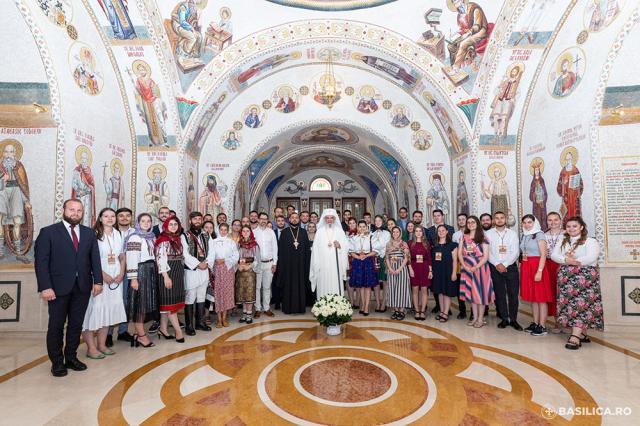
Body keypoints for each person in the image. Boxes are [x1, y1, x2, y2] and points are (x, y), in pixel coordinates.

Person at [35, 199, 103, 377]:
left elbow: (95, 259)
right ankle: (57, 362)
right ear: (63, 210)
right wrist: (45, 287)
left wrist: (98, 281)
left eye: (79, 210)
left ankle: (71, 357)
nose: (75, 213)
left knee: (76, 325)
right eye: (72, 209)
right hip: (57, 289)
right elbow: (41, 263)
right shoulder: (48, 232)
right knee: (56, 326)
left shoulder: (89, 233)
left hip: (82, 287)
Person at [550, 216, 603, 350]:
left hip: (584, 279)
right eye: (568, 226)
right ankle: (582, 333)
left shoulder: (590, 241)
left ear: (581, 227)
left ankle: (575, 337)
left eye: (574, 226)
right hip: (567, 278)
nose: (571, 229)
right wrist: (565, 260)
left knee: (581, 305)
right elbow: (554, 255)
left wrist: (574, 261)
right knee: (570, 306)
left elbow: (592, 257)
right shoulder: (562, 240)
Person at [82, 207, 127, 359]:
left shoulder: (118, 233)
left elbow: (121, 255)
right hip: (98, 278)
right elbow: (88, 258)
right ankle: (91, 347)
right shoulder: (92, 234)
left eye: (112, 216)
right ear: (100, 218)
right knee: (92, 311)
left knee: (108, 311)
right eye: (106, 216)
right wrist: (102, 276)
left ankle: (102, 344)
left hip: (116, 278)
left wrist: (121, 273)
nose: (109, 218)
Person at [124, 213, 158, 348]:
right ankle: (141, 336)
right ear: (138, 223)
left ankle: (139, 334)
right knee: (140, 305)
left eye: (149, 221)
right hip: (140, 272)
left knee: (147, 304)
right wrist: (133, 279)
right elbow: (131, 258)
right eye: (143, 221)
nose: (146, 223)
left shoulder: (151, 237)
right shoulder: (134, 238)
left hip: (150, 271)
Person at [486, 211, 521, 330]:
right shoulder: (488, 234)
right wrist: (497, 264)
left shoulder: (512, 233)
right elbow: (488, 252)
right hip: (495, 267)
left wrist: (504, 264)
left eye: (502, 218)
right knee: (500, 294)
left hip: (510, 267)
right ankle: (505, 318)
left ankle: (514, 319)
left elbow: (515, 252)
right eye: (497, 218)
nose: (499, 220)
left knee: (513, 294)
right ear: (493, 221)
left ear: (505, 220)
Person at [520, 215, 553, 336]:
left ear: (535, 222)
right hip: (526, 266)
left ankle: (542, 325)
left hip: (537, 266)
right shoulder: (525, 235)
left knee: (541, 297)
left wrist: (539, 271)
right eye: (524, 222)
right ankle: (535, 322)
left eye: (529, 222)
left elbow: (543, 254)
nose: (527, 225)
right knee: (533, 298)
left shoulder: (539, 234)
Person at [155, 216, 186, 343]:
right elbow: (160, 259)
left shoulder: (177, 239)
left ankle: (163, 328)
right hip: (167, 272)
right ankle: (178, 331)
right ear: (166, 226)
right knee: (170, 304)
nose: (173, 226)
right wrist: (166, 276)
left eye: (175, 224)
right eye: (171, 224)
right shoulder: (163, 240)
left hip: (178, 271)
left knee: (168, 304)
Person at [458, 216, 493, 328]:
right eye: (468, 222)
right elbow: (460, 254)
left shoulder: (483, 238)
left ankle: (480, 319)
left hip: (481, 269)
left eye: (473, 222)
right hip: (467, 268)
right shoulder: (463, 238)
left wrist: (475, 267)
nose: (470, 224)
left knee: (480, 294)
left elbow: (486, 256)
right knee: (471, 294)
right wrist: (465, 266)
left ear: (477, 224)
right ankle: (475, 317)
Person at [106, 207, 135, 345]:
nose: (124, 218)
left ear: (131, 218)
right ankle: (108, 333)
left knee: (126, 302)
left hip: (131, 272)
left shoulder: (135, 233)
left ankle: (123, 331)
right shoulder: (111, 232)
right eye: (121, 216)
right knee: (113, 301)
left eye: (127, 216)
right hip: (113, 273)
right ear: (117, 218)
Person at [183, 212, 212, 336]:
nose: (197, 221)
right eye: (195, 219)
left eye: (199, 219)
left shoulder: (206, 235)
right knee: (190, 296)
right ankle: (189, 325)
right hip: (191, 271)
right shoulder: (184, 236)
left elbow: (212, 251)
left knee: (201, 296)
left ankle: (200, 323)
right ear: (190, 221)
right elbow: (185, 253)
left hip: (204, 270)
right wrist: (197, 264)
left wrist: (207, 262)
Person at [275, 212, 310, 314]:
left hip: (301, 265)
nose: (294, 219)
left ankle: (300, 308)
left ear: (299, 219)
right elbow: (280, 251)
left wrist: (306, 265)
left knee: (300, 285)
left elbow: (307, 250)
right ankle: (287, 308)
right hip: (288, 265)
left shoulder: (303, 232)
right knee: (288, 285)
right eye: (292, 218)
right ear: (289, 220)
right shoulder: (285, 232)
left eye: (296, 218)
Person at [310, 209, 348, 298]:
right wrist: (317, 263)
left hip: (336, 264)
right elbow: (315, 248)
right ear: (324, 219)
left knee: (335, 281)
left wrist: (340, 245)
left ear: (335, 219)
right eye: (327, 218)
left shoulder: (340, 231)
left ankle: (337, 304)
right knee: (323, 281)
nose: (329, 219)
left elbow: (346, 246)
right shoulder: (319, 231)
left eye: (331, 218)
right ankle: (322, 304)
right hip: (322, 264)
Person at [207, 223, 239, 327]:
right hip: (217, 269)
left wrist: (225, 260)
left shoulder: (231, 242)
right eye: (221, 229)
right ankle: (218, 318)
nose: (223, 231)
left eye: (225, 230)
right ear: (218, 230)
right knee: (218, 293)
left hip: (228, 269)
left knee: (226, 293)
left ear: (228, 231)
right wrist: (214, 263)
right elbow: (210, 255)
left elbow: (236, 256)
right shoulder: (213, 242)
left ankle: (225, 318)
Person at [426, 209, 455, 314]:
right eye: (435, 216)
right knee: (436, 284)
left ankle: (447, 309)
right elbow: (429, 245)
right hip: (435, 259)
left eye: (438, 215)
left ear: (442, 216)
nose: (437, 217)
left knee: (446, 285)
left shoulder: (450, 228)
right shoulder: (429, 230)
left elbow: (452, 243)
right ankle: (438, 305)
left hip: (447, 259)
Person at [348, 220, 378, 315]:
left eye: (363, 226)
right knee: (361, 286)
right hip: (357, 261)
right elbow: (351, 251)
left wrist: (366, 255)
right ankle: (362, 305)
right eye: (360, 226)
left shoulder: (371, 237)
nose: (361, 228)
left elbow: (375, 251)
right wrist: (358, 257)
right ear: (357, 227)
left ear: (366, 227)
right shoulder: (354, 238)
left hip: (367, 261)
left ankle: (366, 307)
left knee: (368, 286)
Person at [432, 225, 459, 323]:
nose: (441, 232)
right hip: (437, 272)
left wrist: (454, 273)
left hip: (448, 272)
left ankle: (446, 313)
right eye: (439, 230)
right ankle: (442, 311)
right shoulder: (435, 246)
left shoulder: (453, 245)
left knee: (446, 293)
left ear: (447, 231)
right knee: (439, 292)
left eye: (443, 230)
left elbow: (455, 261)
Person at [253, 212, 278, 318]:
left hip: (269, 263)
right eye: (261, 219)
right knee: (257, 287)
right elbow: (251, 249)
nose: (263, 221)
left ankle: (266, 308)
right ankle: (258, 308)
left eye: (265, 219)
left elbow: (275, 248)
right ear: (258, 220)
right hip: (257, 264)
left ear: (267, 220)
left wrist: (275, 263)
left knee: (267, 287)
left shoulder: (271, 232)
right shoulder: (253, 232)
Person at [385, 226, 412, 320]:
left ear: (400, 233)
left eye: (397, 232)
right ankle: (396, 310)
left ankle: (401, 310)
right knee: (393, 289)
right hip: (391, 268)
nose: (395, 234)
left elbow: (406, 257)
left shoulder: (403, 243)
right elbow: (387, 258)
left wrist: (400, 269)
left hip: (401, 268)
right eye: (393, 232)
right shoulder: (388, 244)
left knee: (402, 289)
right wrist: (390, 268)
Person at [545, 212, 564, 333]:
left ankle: (566, 322)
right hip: (548, 266)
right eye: (550, 220)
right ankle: (557, 323)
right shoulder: (543, 235)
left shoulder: (566, 233)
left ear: (560, 220)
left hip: (563, 264)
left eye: (555, 220)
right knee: (552, 293)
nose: (553, 222)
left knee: (562, 292)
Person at [408, 225, 432, 320]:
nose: (418, 233)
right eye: (416, 231)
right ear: (414, 232)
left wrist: (430, 270)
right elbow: (408, 257)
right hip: (414, 267)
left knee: (424, 290)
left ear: (423, 233)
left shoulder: (426, 243)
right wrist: (410, 268)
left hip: (424, 267)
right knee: (415, 290)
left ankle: (422, 311)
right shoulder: (410, 243)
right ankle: (417, 310)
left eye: (420, 231)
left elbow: (429, 257)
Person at [236, 226, 259, 323]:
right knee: (242, 292)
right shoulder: (238, 244)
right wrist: (238, 265)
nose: (245, 233)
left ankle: (249, 314)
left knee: (249, 292)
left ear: (250, 232)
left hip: (250, 272)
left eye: (247, 231)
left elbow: (258, 259)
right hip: (241, 271)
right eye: (243, 231)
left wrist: (249, 266)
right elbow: (235, 256)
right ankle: (244, 313)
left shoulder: (255, 245)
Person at [372, 215, 391, 313]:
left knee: (385, 281)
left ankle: (384, 302)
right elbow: (372, 246)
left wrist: (377, 246)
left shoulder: (387, 233)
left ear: (382, 222)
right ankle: (378, 302)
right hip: (375, 259)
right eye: (376, 221)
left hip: (384, 258)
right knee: (376, 282)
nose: (378, 222)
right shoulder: (373, 233)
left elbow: (385, 245)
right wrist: (377, 246)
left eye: (379, 220)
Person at [452, 213, 468, 319]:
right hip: (458, 264)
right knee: (460, 288)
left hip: (470, 263)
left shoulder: (472, 233)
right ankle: (462, 310)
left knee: (471, 287)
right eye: (459, 219)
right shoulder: (455, 235)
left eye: (463, 219)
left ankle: (475, 312)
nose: (461, 221)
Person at [345, 217, 359, 308]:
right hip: (348, 259)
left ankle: (357, 301)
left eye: (354, 223)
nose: (352, 224)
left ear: (356, 224)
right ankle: (351, 301)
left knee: (358, 280)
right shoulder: (345, 234)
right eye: (350, 223)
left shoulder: (360, 233)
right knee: (348, 280)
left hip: (358, 258)